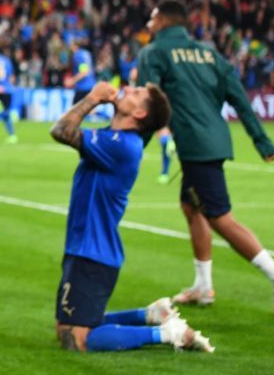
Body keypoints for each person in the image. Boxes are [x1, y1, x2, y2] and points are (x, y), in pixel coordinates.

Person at [137, 0, 274, 313]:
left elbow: (147, 101)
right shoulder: (210, 53)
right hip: (212, 139)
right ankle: (203, 286)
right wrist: (262, 141)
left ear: (162, 21)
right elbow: (239, 98)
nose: (148, 25)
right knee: (192, 207)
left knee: (220, 218)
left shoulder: (155, 52)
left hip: (196, 145)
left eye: (151, 19)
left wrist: (133, 143)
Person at [50, 81, 213, 353]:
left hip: (93, 253)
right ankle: (149, 315)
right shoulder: (114, 138)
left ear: (139, 114)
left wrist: (93, 98)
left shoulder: (123, 145)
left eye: (137, 93)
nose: (128, 89)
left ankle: (166, 333)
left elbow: (61, 130)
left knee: (77, 341)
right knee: (63, 329)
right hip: (85, 247)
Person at [0, 44, 18, 145]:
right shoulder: (7, 60)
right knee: (6, 112)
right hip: (8, 89)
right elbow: (12, 77)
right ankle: (12, 135)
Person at [66, 37, 96, 104]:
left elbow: (84, 72)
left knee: (75, 110)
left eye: (71, 45)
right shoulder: (87, 53)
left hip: (83, 87)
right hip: (91, 85)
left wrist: (72, 80)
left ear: (75, 46)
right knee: (89, 109)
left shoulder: (78, 55)